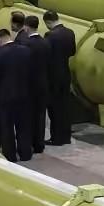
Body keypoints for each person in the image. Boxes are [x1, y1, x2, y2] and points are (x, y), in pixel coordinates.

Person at [0, 29, 33, 162]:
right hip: (24, 94)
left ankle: (10, 155)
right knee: (23, 125)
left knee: (7, 127)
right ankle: (25, 153)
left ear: (0, 39)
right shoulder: (26, 51)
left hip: (5, 96)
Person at [44, 10, 76, 146]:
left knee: (54, 109)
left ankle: (56, 138)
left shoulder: (50, 35)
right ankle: (66, 137)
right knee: (65, 107)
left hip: (53, 76)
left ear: (48, 22)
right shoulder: (70, 32)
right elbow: (72, 52)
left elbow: (46, 56)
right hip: (65, 74)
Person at [23, 15, 50, 153]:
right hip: (43, 83)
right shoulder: (45, 42)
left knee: (28, 116)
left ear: (26, 27)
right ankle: (39, 144)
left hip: (29, 85)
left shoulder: (27, 44)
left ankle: (30, 142)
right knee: (40, 115)